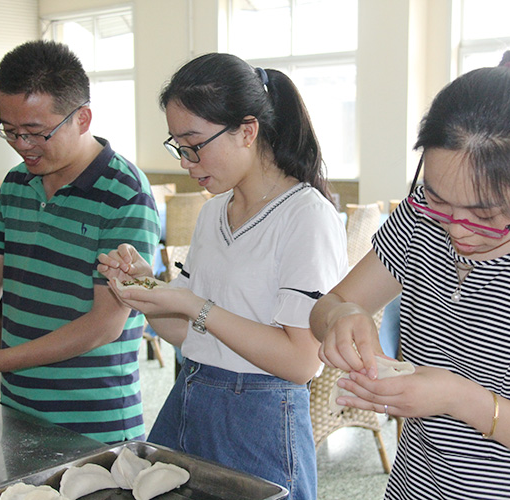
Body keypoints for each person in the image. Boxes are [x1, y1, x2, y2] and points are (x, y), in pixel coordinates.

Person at [310, 50, 510, 500]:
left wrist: (461, 399)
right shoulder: (419, 220)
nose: (455, 228)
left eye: (485, 213)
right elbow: (327, 307)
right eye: (439, 199)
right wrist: (342, 317)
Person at [98, 53, 348, 500]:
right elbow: (189, 333)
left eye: (194, 144)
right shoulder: (214, 211)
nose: (186, 161)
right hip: (192, 399)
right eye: (178, 146)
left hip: (260, 420)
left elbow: (301, 362)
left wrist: (194, 305)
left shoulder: (306, 215)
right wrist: (146, 290)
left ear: (247, 131)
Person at [0, 40, 161, 444]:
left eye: (35, 133)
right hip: (18, 407)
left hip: (94, 419)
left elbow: (104, 324)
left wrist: (0, 361)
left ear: (82, 118)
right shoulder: (17, 183)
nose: (21, 145)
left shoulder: (124, 193)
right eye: (9, 132)